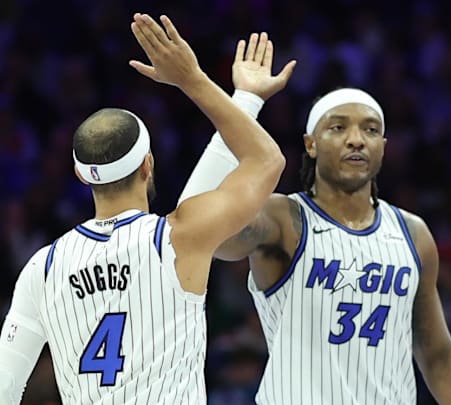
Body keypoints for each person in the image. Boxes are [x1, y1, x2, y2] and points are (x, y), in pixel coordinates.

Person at [177, 35, 451, 405]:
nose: (356, 139)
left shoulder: (413, 233)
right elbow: (195, 225)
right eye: (338, 128)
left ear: (384, 147)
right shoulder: (284, 219)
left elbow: (439, 358)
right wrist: (247, 100)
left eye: (370, 130)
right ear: (311, 144)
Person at [0, 14, 286, 404]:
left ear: (81, 176)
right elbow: (265, 159)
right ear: (148, 164)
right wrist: (195, 80)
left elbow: (6, 386)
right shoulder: (180, 237)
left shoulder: (41, 268)